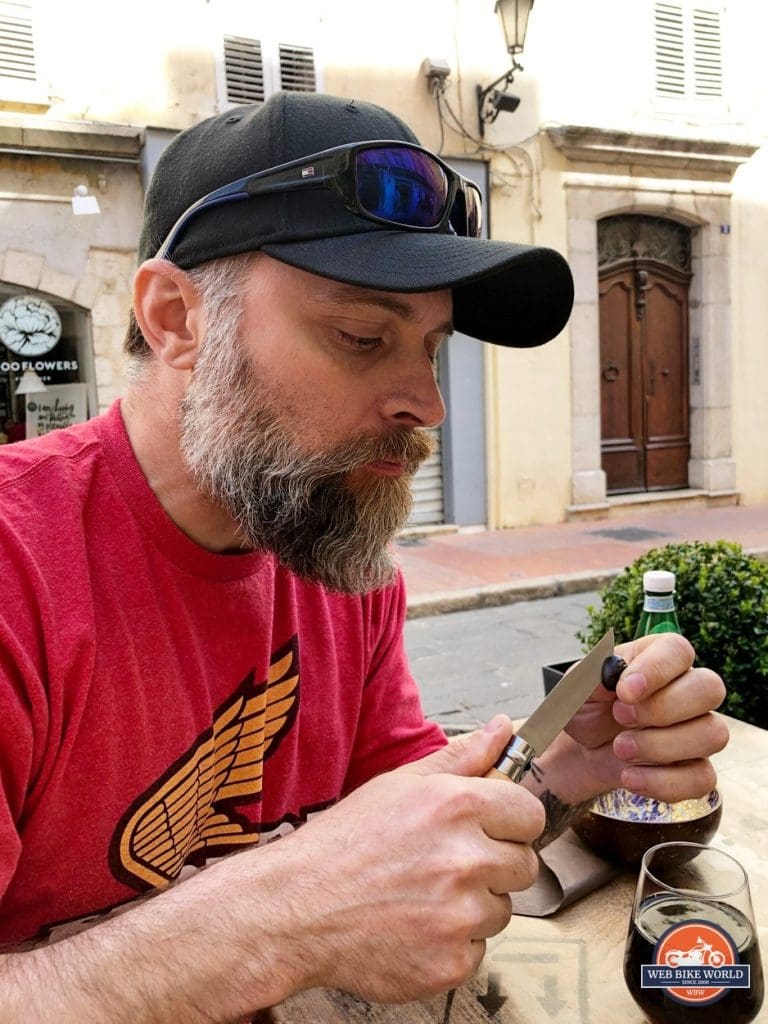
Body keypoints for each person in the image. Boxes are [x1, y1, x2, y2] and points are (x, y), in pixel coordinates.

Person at [0, 93, 727, 1021]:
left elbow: (397, 817)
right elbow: (322, 893)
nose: (428, 403)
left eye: (431, 345)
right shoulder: (19, 568)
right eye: (362, 337)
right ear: (177, 317)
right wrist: (282, 918)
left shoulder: (329, 548)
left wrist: (568, 770)